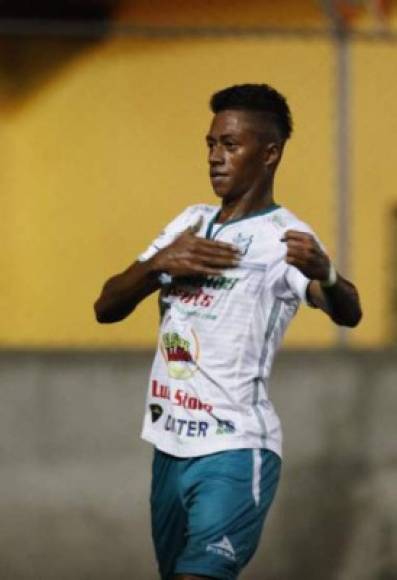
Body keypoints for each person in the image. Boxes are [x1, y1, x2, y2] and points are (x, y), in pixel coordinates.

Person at [94, 84, 362, 580]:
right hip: (170, 448)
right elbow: (106, 306)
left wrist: (326, 274)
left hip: (234, 450)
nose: (216, 158)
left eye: (231, 145)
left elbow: (348, 311)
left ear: (270, 153)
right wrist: (159, 264)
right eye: (211, 144)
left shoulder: (281, 238)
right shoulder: (189, 222)